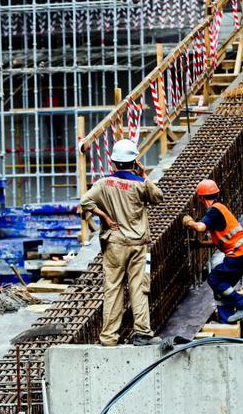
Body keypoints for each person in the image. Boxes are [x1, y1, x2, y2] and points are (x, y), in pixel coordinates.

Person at [79, 139, 163, 346]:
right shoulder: (139, 184)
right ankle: (143, 333)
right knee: (139, 288)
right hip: (138, 244)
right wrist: (143, 175)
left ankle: (109, 337)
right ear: (134, 162)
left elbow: (85, 202)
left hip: (114, 244)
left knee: (113, 289)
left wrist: (105, 218)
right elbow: (158, 197)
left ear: (113, 162)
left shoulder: (103, 184)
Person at [182, 179, 243, 323]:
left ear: (201, 198)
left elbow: (200, 227)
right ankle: (227, 321)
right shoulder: (221, 209)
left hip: (240, 254)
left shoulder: (214, 210)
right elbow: (224, 239)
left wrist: (189, 222)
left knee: (214, 278)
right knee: (221, 288)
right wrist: (201, 244)